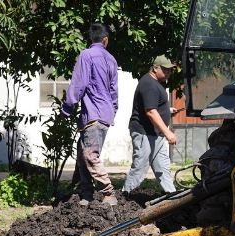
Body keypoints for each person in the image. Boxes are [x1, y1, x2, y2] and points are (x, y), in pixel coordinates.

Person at [62, 23, 119, 206]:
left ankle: (108, 193)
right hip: (104, 115)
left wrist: (67, 108)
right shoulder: (111, 59)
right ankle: (86, 195)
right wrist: (113, 110)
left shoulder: (86, 55)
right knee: (82, 155)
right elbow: (113, 91)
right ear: (105, 40)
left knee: (89, 155)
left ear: (91, 39)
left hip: (93, 114)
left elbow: (79, 84)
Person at [123, 55, 178, 195]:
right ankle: (125, 195)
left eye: (170, 70)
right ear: (155, 68)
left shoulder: (156, 83)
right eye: (165, 70)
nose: (168, 73)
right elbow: (151, 112)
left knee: (163, 167)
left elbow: (154, 106)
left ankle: (172, 197)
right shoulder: (149, 84)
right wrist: (168, 132)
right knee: (140, 167)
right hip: (144, 133)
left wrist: (167, 111)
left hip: (155, 134)